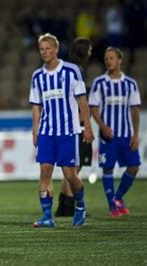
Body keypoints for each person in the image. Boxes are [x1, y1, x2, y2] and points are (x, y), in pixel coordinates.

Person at [29, 33, 94, 228]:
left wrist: (87, 127)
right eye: (42, 49)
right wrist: (35, 130)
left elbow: (82, 100)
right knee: (45, 172)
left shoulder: (72, 71)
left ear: (56, 49)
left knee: (70, 174)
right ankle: (47, 216)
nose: (45, 52)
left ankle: (80, 206)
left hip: (68, 131)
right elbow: (36, 106)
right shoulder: (37, 76)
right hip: (47, 132)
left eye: (49, 48)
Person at [89, 47, 141, 217]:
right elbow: (94, 108)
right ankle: (112, 206)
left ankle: (117, 198)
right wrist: (102, 127)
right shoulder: (99, 83)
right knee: (108, 169)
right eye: (105, 59)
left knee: (134, 166)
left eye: (111, 58)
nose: (108, 61)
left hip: (126, 134)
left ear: (120, 60)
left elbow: (134, 110)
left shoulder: (130, 84)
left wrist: (135, 134)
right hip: (108, 136)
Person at [55, 38, 93, 217]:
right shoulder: (78, 71)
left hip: (67, 125)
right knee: (74, 169)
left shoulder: (66, 70)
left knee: (69, 170)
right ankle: (71, 207)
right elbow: (80, 102)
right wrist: (85, 124)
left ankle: (63, 206)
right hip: (75, 125)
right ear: (85, 52)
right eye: (90, 50)